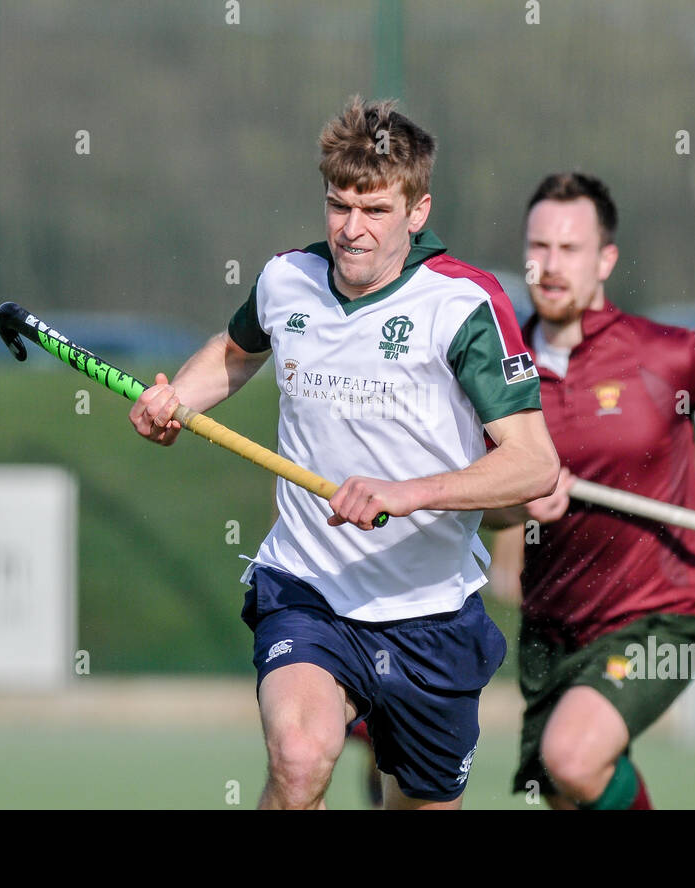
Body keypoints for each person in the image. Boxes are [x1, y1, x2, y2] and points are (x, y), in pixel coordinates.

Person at [128, 97, 559, 809]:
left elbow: (533, 464)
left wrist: (407, 492)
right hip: (308, 587)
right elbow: (236, 353)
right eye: (338, 206)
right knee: (299, 762)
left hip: (429, 614)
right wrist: (181, 399)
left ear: (418, 211)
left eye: (376, 211)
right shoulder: (286, 279)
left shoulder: (462, 306)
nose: (351, 230)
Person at [484, 172, 695, 809]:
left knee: (571, 756)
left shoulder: (669, 355)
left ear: (606, 259)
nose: (552, 265)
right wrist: (522, 502)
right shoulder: (499, 375)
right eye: (539, 248)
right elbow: (491, 514)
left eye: (571, 249)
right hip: (553, 624)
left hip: (659, 613)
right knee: (571, 790)